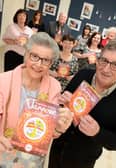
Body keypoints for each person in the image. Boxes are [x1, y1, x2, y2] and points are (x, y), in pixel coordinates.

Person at [48, 40, 116, 168]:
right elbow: (59, 107)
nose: (106, 69)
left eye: (115, 65)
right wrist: (61, 102)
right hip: (58, 146)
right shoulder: (82, 75)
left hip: (83, 159)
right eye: (104, 60)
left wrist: (98, 132)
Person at [0, 32, 73, 167]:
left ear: (51, 63)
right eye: (34, 56)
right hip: (3, 153)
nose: (39, 64)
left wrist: (59, 128)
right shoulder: (3, 81)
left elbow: (49, 132)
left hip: (31, 159)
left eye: (46, 60)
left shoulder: (54, 86)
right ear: (25, 54)